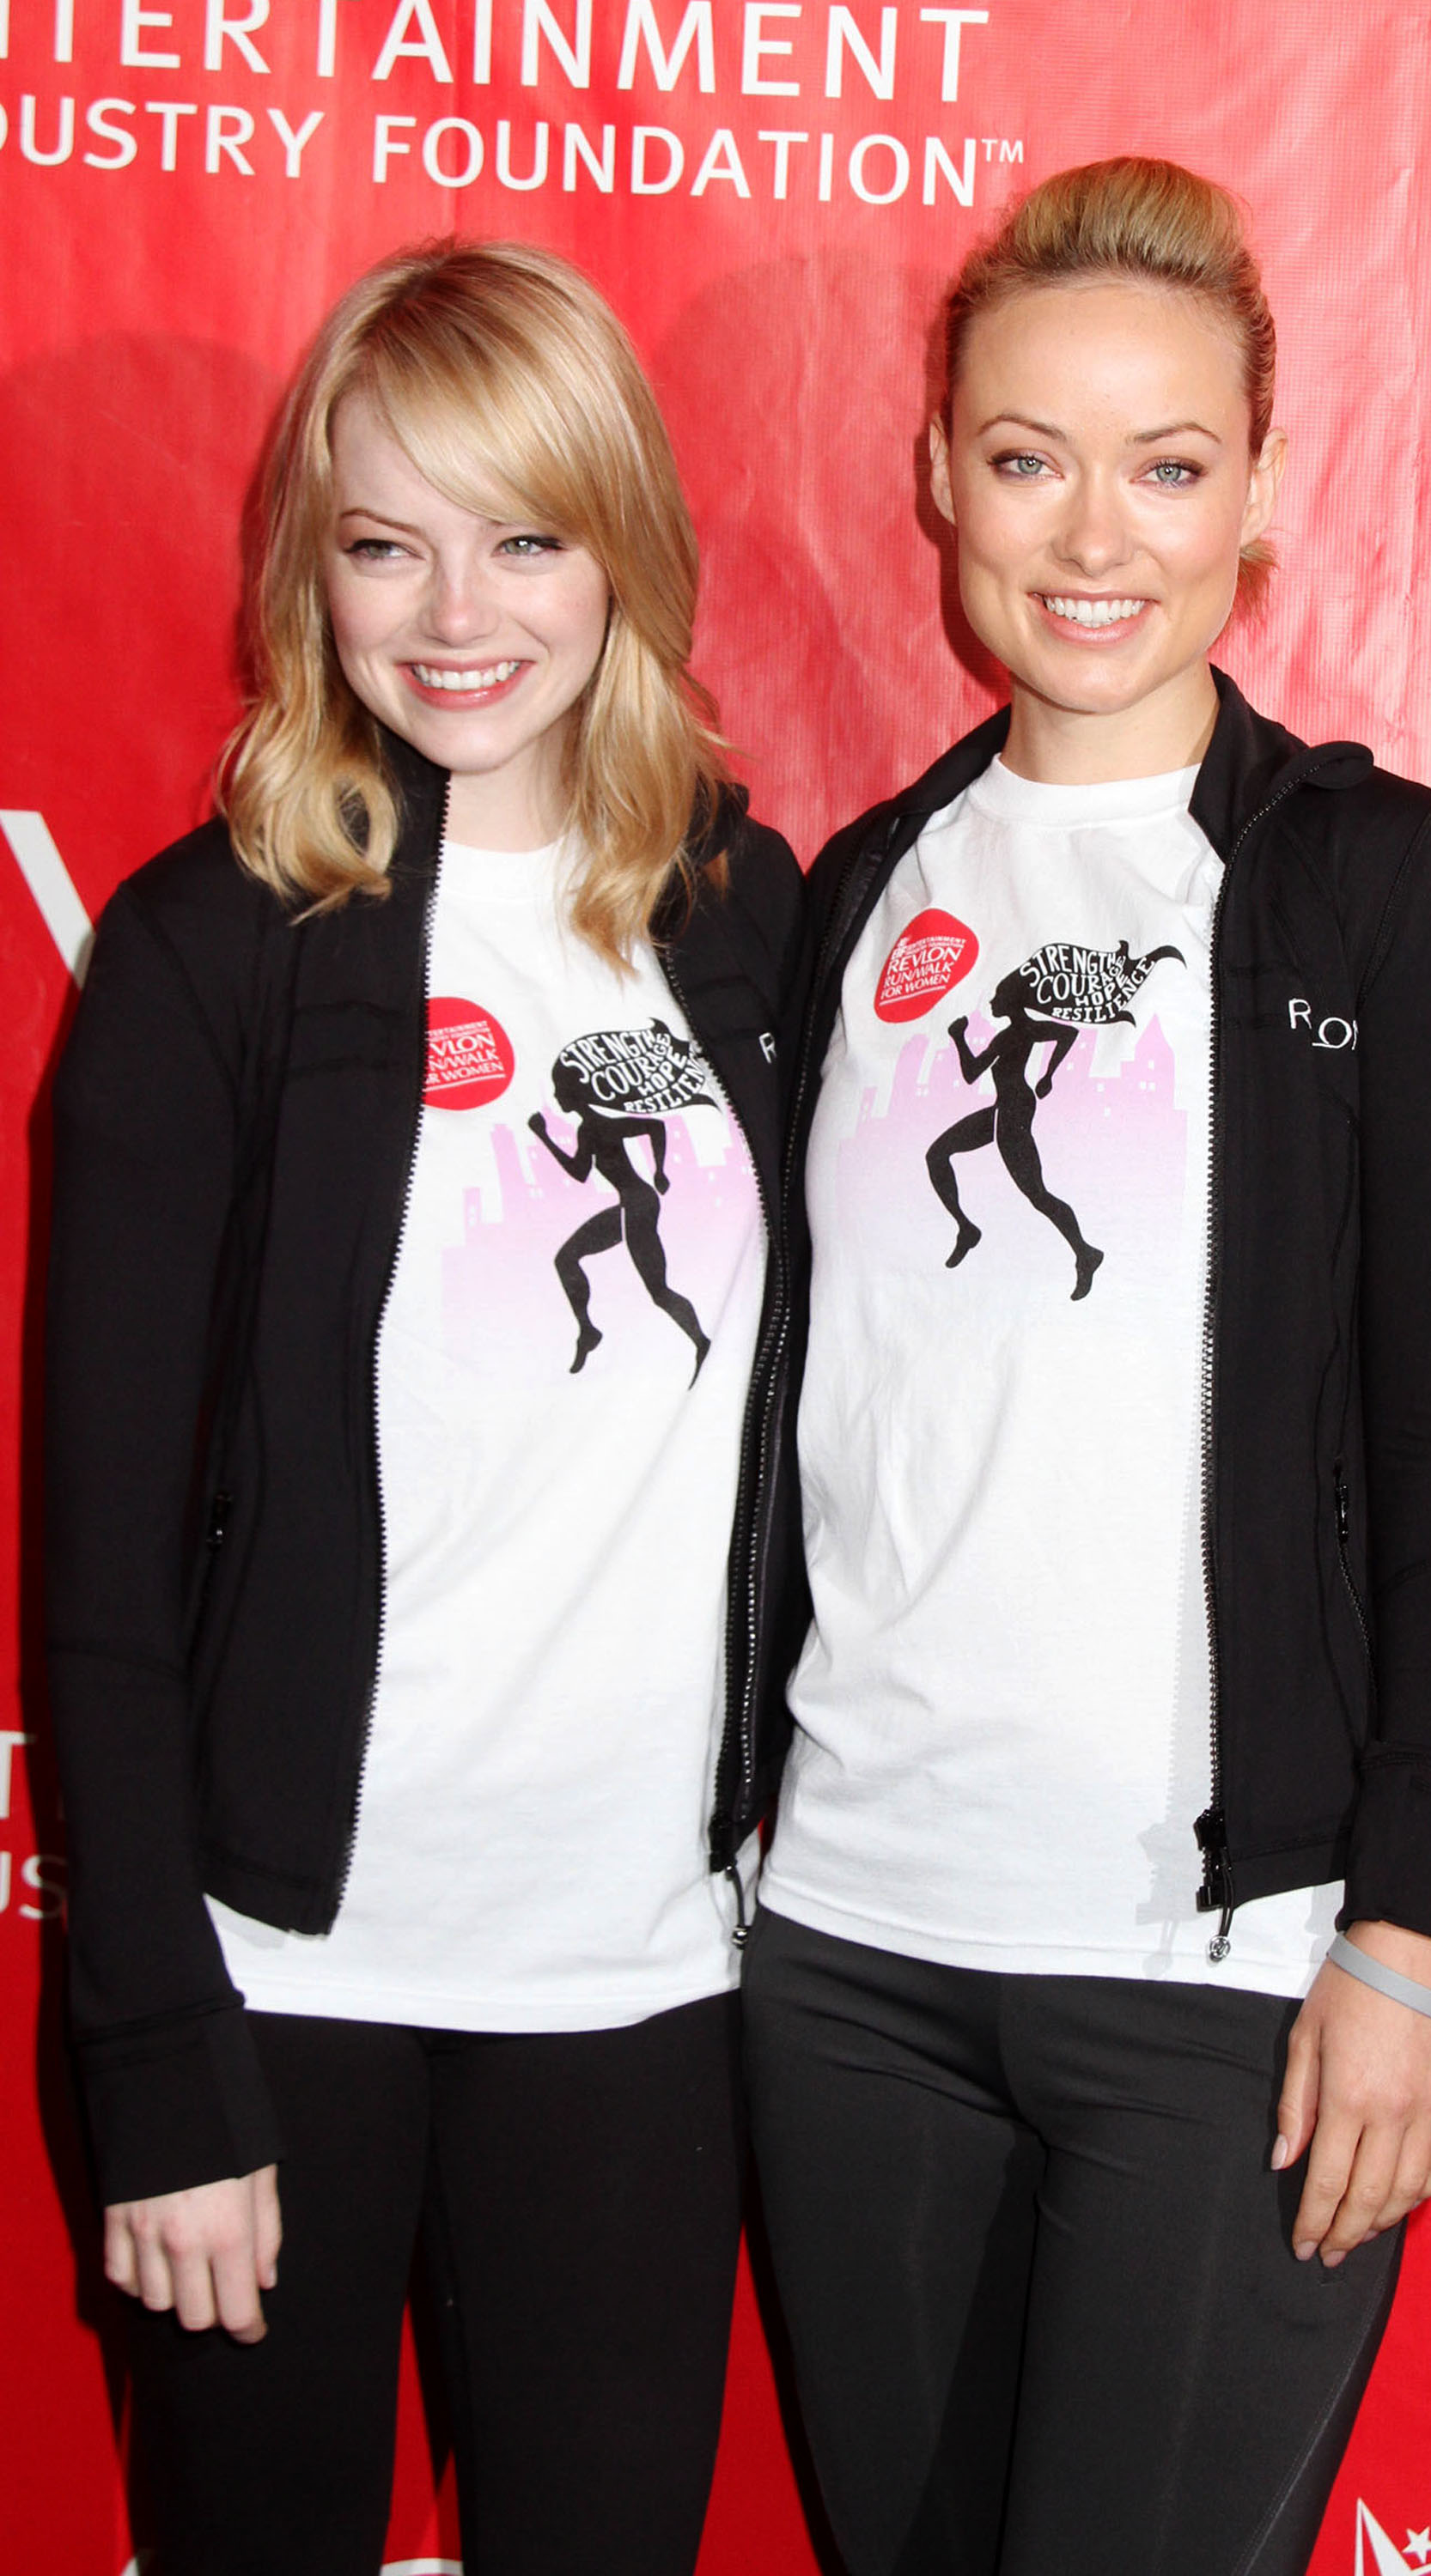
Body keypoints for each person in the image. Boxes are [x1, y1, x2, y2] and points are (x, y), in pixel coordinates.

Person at [741, 158, 1431, 2576]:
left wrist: (1412, 1935)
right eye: (1028, 457)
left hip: (1225, 1984)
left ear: (1262, 491)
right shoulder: (852, 894)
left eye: (1168, 463)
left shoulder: (1375, 888)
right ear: (938, 478)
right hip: (849, 1955)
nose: (1095, 535)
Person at [46, 240, 801, 2576]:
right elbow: (94, 1576)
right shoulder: (210, 950)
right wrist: (157, 2060)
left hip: (646, 1984)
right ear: (314, 566)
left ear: (623, 545)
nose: (455, 614)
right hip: (281, 1985)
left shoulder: (749, 919)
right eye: (386, 543)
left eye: (525, 535)